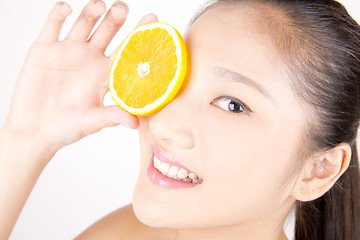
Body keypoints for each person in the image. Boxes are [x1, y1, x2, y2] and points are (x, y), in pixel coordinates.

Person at [1, 0, 359, 239]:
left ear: (319, 170)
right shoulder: (125, 234)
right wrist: (25, 141)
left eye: (233, 104)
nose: (162, 123)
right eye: (177, 76)